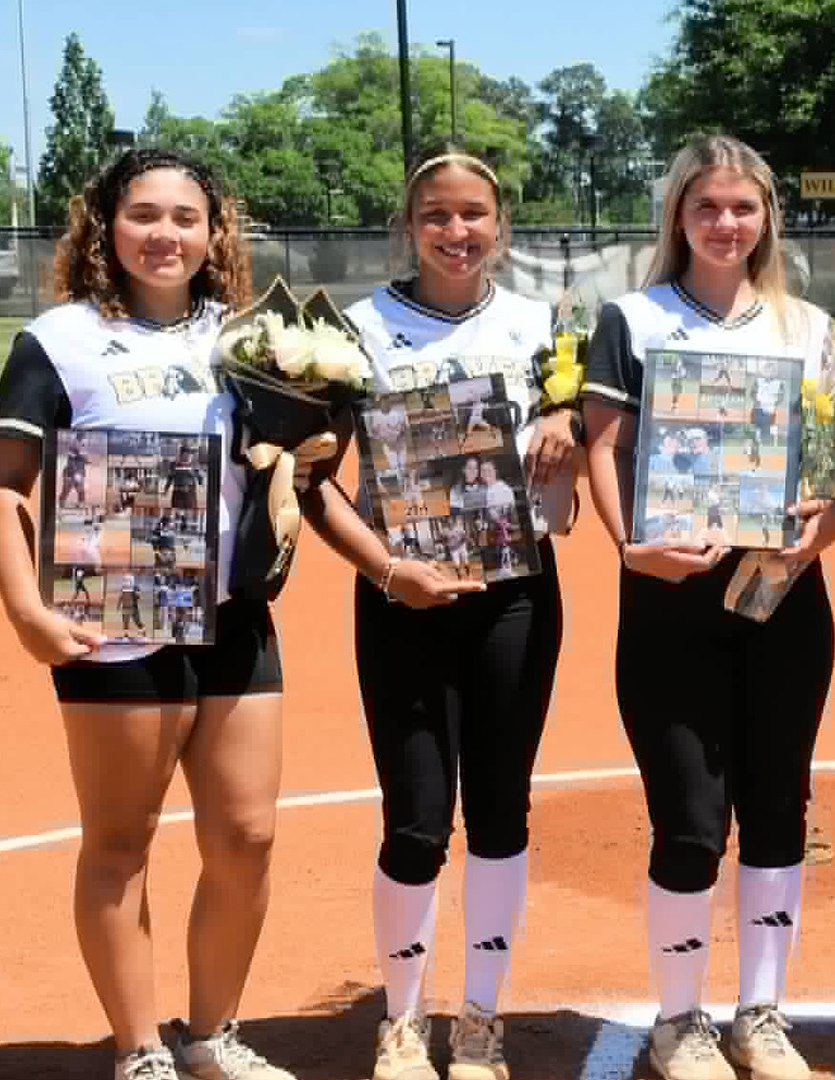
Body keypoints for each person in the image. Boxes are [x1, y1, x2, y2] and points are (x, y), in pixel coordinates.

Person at [0, 147, 296, 1080]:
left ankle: (214, 1035)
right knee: (121, 841)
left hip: (233, 615)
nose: (165, 234)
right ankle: (139, 1049)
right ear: (107, 227)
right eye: (144, 215)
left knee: (248, 835)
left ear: (214, 232)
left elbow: (290, 458)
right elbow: (3, 486)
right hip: (113, 615)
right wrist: (25, 611)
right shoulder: (60, 339)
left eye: (185, 218)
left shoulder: (246, 336)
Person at [581, 133, 835, 1080]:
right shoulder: (631, 318)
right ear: (678, 215)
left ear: (766, 218)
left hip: (784, 596)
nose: (726, 224)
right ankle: (678, 1021)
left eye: (744, 207)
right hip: (671, 602)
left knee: (779, 808)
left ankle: (762, 1013)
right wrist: (632, 551)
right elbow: (603, 451)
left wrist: (814, 535)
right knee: (691, 820)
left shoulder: (809, 326)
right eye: (707, 207)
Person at [298, 145, 579, 1080]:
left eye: (475, 215)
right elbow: (314, 482)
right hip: (403, 601)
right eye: (437, 216)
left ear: (500, 226)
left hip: (515, 598)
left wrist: (563, 432)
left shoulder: (544, 328)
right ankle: (404, 1021)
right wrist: (388, 572)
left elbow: (569, 498)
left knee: (502, 812)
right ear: (408, 226)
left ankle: (482, 1020)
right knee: (415, 820)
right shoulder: (360, 330)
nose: (457, 232)